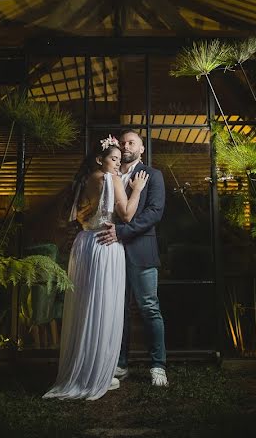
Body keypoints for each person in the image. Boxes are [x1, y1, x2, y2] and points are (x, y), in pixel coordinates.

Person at [43, 137, 149, 400]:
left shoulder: (84, 181)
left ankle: (82, 369)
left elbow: (78, 217)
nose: (117, 163)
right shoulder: (109, 179)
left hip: (85, 244)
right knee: (103, 307)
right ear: (100, 160)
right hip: (105, 246)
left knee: (85, 307)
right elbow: (125, 215)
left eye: (118, 159)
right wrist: (136, 188)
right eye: (113, 159)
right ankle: (98, 372)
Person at [96, 130, 168, 387]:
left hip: (141, 251)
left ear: (141, 149)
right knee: (118, 310)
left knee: (149, 308)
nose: (126, 146)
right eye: (123, 142)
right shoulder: (110, 175)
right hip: (111, 252)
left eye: (132, 143)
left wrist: (122, 232)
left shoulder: (153, 175)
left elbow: (154, 213)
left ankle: (158, 365)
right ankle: (121, 363)